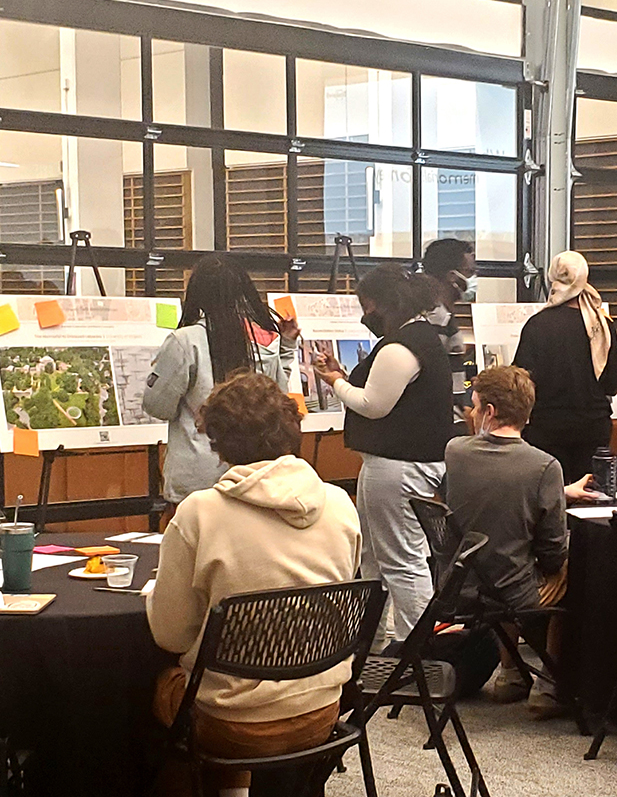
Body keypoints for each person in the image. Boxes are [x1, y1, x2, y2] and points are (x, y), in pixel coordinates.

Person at [147, 370, 361, 796]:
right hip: (320, 710)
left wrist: (152, 594)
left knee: (158, 682)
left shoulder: (198, 514)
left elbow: (170, 633)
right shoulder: (339, 503)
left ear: (218, 441)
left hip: (232, 725)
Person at [314, 264, 452, 648]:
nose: (365, 313)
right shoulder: (421, 338)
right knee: (375, 560)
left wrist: (336, 382)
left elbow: (373, 404)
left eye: (367, 304)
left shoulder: (400, 346)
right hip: (403, 465)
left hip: (397, 468)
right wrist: (345, 377)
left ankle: (417, 649)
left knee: (402, 561)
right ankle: (368, 645)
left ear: (382, 302)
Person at [444, 365, 568, 713]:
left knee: (505, 557)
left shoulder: (455, 451)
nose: (470, 412)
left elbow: (487, 497)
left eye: (474, 405)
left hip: (460, 585)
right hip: (509, 590)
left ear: (490, 412)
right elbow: (553, 547)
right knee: (569, 563)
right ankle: (549, 684)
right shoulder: (544, 467)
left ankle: (510, 674)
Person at [143, 255, 299, 517]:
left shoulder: (185, 340)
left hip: (197, 478)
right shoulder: (265, 341)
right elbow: (278, 397)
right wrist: (287, 346)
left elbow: (157, 406)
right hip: (253, 474)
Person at [513, 251, 617, 483]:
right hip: (594, 428)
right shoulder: (602, 326)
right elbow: (612, 383)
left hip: (546, 428)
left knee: (551, 497)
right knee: (590, 497)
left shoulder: (537, 325)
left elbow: (521, 379)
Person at [420, 238, 478, 430]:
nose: (473, 278)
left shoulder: (443, 315)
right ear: (453, 276)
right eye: (470, 272)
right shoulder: (436, 318)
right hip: (441, 422)